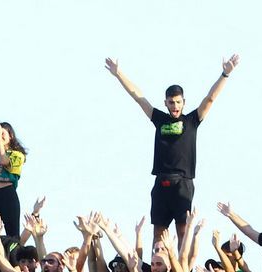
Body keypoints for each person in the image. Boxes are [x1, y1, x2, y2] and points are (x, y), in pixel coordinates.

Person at [103, 54, 240, 244]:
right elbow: (138, 96)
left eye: (178, 102)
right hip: (161, 182)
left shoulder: (191, 120)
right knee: (159, 232)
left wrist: (225, 74)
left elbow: (210, 99)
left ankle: (182, 269)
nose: (175, 106)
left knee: (183, 230)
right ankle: (157, 267)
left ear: (183, 101)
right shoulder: (158, 118)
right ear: (165, 102)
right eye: (171, 102)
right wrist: (118, 74)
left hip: (182, 183)